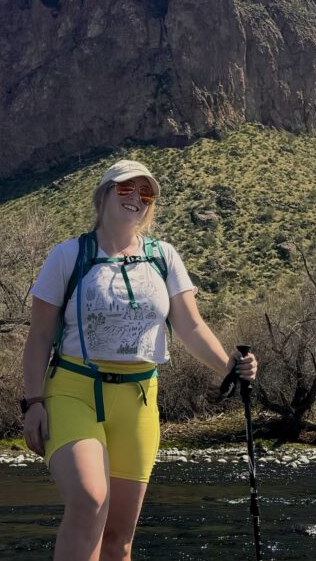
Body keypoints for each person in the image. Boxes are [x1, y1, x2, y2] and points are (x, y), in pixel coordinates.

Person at [21, 159, 258, 561]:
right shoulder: (67, 256)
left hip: (139, 401)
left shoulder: (163, 257)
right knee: (91, 500)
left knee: (119, 536)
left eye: (145, 194)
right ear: (104, 193)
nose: (136, 199)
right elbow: (40, 336)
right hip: (73, 392)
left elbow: (190, 326)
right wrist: (33, 402)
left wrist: (230, 367)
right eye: (125, 189)